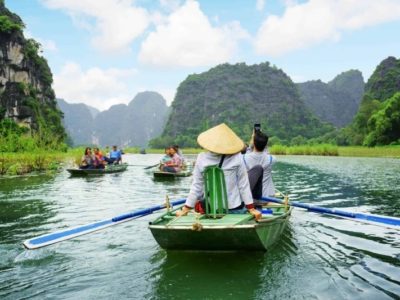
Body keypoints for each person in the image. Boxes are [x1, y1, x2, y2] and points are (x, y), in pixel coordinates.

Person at [175, 123, 261, 220]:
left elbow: (196, 186)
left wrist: (186, 208)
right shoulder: (237, 158)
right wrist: (251, 208)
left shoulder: (201, 158)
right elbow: (243, 185)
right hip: (233, 208)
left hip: (210, 209)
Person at [243, 130, 276, 197]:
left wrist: (251, 143)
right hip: (267, 196)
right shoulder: (272, 159)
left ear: (254, 143)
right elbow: (267, 153)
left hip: (251, 197)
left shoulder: (244, 158)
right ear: (266, 144)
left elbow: (248, 152)